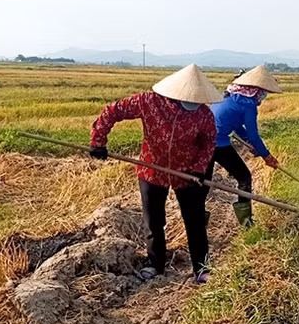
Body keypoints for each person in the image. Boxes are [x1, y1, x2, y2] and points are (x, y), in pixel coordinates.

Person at [90, 64, 220, 284]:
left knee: (195, 220)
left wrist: (198, 169)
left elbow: (208, 143)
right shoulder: (149, 102)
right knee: (154, 220)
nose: (193, 103)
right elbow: (113, 111)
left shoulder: (203, 114)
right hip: (152, 170)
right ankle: (155, 264)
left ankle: (201, 268)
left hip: (187, 173)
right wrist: (98, 141)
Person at [207, 65, 282, 227]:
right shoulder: (248, 104)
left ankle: (197, 223)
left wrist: (248, 141)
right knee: (244, 177)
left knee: (203, 183)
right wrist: (266, 156)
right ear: (256, 90)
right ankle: (246, 222)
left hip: (202, 143)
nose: (264, 96)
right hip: (217, 144)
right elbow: (254, 135)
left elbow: (236, 126)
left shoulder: (229, 97)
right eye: (263, 92)